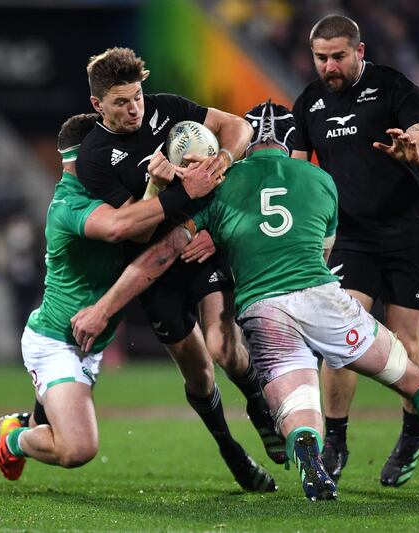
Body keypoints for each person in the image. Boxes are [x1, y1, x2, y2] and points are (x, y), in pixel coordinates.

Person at [71, 101, 419, 501]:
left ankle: (308, 450)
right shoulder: (322, 181)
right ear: (291, 141)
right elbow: (321, 250)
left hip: (265, 311)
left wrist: (105, 307)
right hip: (322, 297)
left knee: (298, 412)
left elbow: (161, 255)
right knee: (415, 381)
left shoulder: (219, 185)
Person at [0, 113, 241, 491]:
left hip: (86, 342)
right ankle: (13, 440)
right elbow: (123, 226)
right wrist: (180, 191)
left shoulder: (110, 194)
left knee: (43, 426)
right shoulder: (72, 202)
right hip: (59, 341)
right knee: (76, 448)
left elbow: (148, 225)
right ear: (85, 154)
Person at [75, 48, 286, 481]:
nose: (135, 108)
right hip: (152, 271)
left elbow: (238, 127)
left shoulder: (166, 109)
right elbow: (133, 230)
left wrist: (220, 163)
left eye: (137, 97)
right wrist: (158, 184)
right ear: (98, 105)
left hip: (201, 248)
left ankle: (259, 406)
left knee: (223, 346)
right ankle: (230, 449)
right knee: (199, 374)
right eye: (121, 102)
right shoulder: (95, 157)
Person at [291, 14, 419, 487]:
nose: (329, 66)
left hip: (407, 233)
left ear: (359, 52)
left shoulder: (395, 88)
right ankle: (335, 440)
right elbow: (299, 174)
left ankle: (412, 432)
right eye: (321, 57)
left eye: (338, 56)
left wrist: (412, 153)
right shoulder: (309, 103)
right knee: (340, 340)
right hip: (351, 238)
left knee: (406, 343)